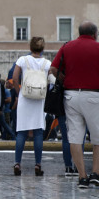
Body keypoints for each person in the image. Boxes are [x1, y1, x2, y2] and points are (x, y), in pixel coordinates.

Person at [50, 21, 99, 188]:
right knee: (97, 137)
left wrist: (65, 78)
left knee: (75, 138)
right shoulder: (97, 47)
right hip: (94, 95)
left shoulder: (67, 46)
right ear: (95, 33)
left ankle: (82, 177)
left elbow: (54, 69)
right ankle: (96, 173)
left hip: (71, 95)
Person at [12, 37, 51, 177]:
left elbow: (15, 78)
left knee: (21, 132)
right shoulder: (47, 63)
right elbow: (51, 82)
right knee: (38, 132)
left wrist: (19, 93)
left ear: (30, 47)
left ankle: (17, 162)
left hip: (25, 97)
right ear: (43, 48)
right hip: (39, 99)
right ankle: (38, 164)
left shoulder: (23, 60)